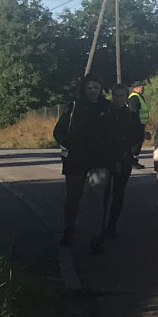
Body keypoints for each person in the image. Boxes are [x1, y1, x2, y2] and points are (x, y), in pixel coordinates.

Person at [54, 76, 115, 252]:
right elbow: (59, 131)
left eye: (96, 87)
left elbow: (115, 133)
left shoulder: (108, 108)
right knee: (73, 197)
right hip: (76, 159)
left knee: (97, 199)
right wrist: (70, 146)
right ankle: (69, 230)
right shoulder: (74, 107)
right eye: (89, 87)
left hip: (100, 160)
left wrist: (113, 154)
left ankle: (96, 236)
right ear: (83, 89)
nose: (93, 91)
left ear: (101, 89)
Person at [100, 83, 141, 243]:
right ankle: (100, 225)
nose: (117, 99)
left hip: (123, 160)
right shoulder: (105, 114)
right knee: (103, 194)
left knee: (118, 194)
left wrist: (130, 152)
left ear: (126, 98)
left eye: (121, 96)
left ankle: (112, 225)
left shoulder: (131, 116)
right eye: (115, 95)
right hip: (105, 159)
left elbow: (137, 136)